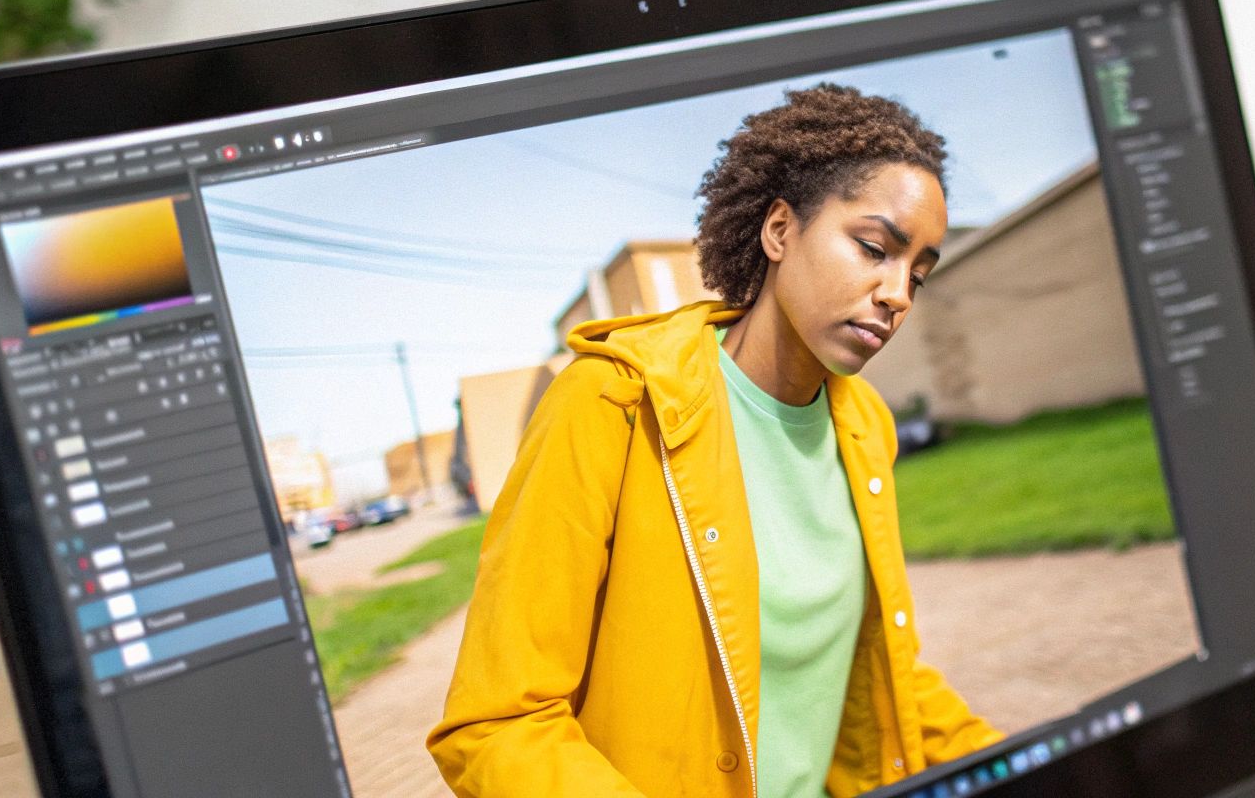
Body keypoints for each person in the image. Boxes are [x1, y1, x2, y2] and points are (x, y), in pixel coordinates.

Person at [427, 84, 999, 797]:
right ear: (780, 230)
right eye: (873, 249)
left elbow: (882, 674)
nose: (897, 294)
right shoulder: (613, 403)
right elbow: (499, 723)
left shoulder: (864, 426)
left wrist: (1021, 761)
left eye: (918, 274)